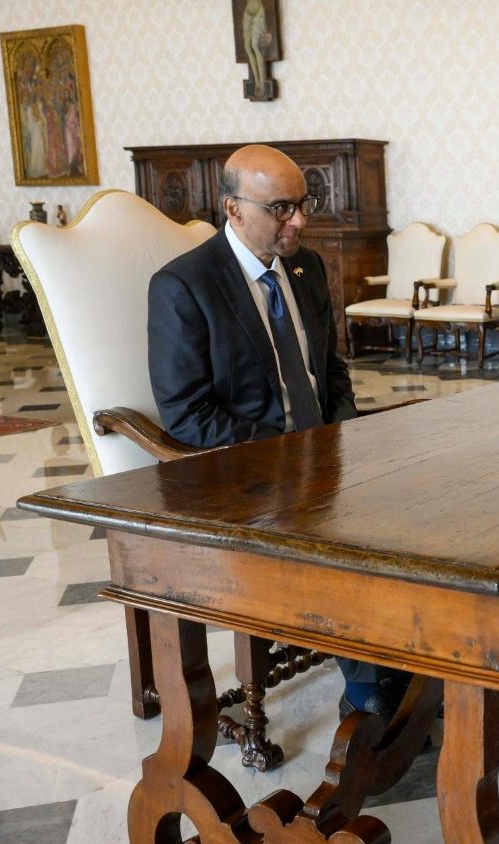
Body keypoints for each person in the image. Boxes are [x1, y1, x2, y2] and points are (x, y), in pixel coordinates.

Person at [147, 144, 409, 720]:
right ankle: (369, 693)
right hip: (250, 475)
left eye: (304, 203)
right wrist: (293, 456)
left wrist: (346, 439)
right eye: (282, 208)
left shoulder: (306, 266)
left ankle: (411, 663)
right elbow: (186, 414)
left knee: (413, 512)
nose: (300, 221)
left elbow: (329, 370)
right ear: (233, 209)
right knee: (338, 537)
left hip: (325, 455)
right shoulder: (183, 286)